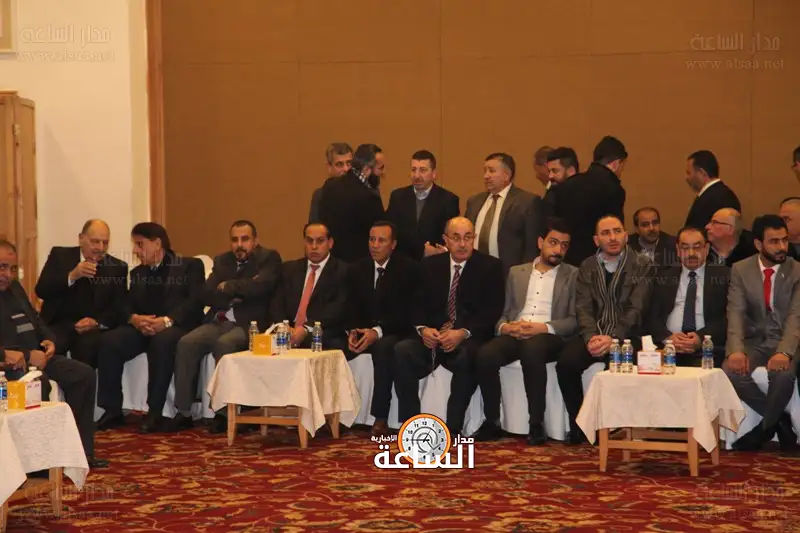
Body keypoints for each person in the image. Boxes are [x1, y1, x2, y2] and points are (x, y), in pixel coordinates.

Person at [0, 240, 107, 467]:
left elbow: (37, 320)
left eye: (12, 268)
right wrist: (28, 356)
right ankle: (39, 463)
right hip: (11, 364)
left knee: (83, 375)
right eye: (2, 267)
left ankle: (79, 454)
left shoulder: (15, 289)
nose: (7, 275)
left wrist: (49, 340)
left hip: (38, 356)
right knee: (38, 382)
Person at [393, 217, 504, 436]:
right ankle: (410, 421)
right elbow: (414, 304)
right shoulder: (429, 266)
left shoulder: (490, 266)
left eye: (468, 237)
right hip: (433, 336)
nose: (462, 244)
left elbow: (492, 311)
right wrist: (423, 329)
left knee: (468, 356)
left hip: (467, 337)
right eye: (456, 238)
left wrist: (462, 332)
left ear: (474, 238)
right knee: (402, 350)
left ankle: (453, 426)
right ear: (445, 240)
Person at [170, 220, 282, 433]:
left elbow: (262, 287)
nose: (239, 245)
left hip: (249, 324)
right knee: (186, 343)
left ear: (255, 240)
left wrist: (229, 286)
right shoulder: (223, 260)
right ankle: (183, 411)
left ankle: (224, 414)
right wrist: (239, 292)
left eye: (245, 239)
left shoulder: (269, 258)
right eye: (234, 240)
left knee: (224, 344)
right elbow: (206, 293)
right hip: (219, 319)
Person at [473, 219, 578, 445]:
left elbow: (574, 320)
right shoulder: (516, 272)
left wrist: (543, 327)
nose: (558, 250)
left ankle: (536, 424)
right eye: (553, 242)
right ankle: (492, 421)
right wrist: (506, 327)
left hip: (550, 336)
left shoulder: (573, 275)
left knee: (532, 349)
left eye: (564, 245)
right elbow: (502, 313)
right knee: (486, 354)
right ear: (540, 242)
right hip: (517, 332)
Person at [96, 223, 205, 433]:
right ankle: (112, 409)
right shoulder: (138, 273)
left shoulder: (189, 266)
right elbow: (125, 304)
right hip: (144, 328)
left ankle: (155, 411)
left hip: (176, 327)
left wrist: (167, 321)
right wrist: (134, 319)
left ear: (157, 243)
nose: (136, 250)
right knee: (110, 341)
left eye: (140, 244)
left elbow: (195, 301)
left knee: (162, 342)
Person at [555, 216, 652, 444]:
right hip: (594, 334)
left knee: (614, 367)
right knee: (566, 364)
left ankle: (611, 429)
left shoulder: (642, 264)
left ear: (626, 236)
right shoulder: (587, 266)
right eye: (606, 233)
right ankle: (580, 426)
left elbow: (636, 309)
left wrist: (613, 338)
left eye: (617, 231)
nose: (612, 237)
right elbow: (583, 308)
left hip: (628, 336)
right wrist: (591, 338)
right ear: (596, 240)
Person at [724, 215, 800, 453]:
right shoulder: (741, 269)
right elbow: (735, 312)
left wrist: (784, 352)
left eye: (784, 240)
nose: (782, 247)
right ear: (758, 244)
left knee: (783, 375)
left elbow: (796, 317)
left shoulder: (797, 271)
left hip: (787, 340)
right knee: (730, 371)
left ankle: (763, 429)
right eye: (774, 241)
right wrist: (736, 350)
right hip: (754, 341)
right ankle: (777, 419)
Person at [345, 221, 419, 436]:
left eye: (381, 240)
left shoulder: (409, 270)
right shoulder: (357, 269)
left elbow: (408, 313)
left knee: (384, 347)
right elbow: (349, 305)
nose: (375, 245)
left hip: (396, 331)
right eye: (371, 239)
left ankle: (380, 416)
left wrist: (377, 331)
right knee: (332, 344)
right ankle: (334, 416)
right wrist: (352, 330)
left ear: (393, 244)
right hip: (364, 331)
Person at [35, 219, 128, 368]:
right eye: (95, 241)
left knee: (89, 349)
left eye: (105, 243)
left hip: (91, 329)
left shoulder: (117, 267)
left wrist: (96, 322)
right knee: (45, 350)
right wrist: (72, 276)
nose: (100, 248)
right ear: (81, 238)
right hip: (58, 324)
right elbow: (41, 290)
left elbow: (119, 306)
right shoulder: (59, 255)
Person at [645, 227, 730, 367]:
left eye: (697, 247)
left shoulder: (725, 277)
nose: (691, 253)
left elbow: (729, 317)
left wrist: (701, 337)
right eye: (685, 248)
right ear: (678, 250)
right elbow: (651, 317)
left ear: (706, 249)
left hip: (707, 349)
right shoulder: (663, 278)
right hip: (668, 348)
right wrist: (668, 337)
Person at [271, 223, 349, 350]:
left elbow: (337, 309)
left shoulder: (343, 271)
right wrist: (283, 326)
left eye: (320, 241)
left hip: (321, 332)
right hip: (287, 331)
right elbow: (277, 303)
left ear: (330, 243)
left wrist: (306, 328)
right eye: (309, 241)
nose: (314, 246)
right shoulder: (289, 269)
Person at [552, 135, 627, 266]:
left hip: (567, 259)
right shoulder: (613, 189)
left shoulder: (567, 185)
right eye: (622, 166)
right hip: (598, 262)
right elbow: (613, 232)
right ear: (616, 164)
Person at [465, 153, 543, 274]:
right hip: (474, 271)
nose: (486, 176)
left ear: (507, 175)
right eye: (485, 171)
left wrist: (524, 275)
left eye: (492, 171)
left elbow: (531, 246)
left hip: (509, 273)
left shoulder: (527, 202)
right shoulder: (474, 201)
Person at [385, 150, 460, 260]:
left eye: (423, 170)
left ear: (434, 174)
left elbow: (453, 236)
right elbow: (390, 232)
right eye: (413, 170)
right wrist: (422, 250)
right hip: (403, 262)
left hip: (434, 263)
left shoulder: (448, 200)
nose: (417, 175)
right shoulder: (397, 197)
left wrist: (442, 250)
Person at [319, 144, 385, 262]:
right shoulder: (369, 197)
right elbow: (382, 232)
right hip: (359, 264)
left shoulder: (329, 186)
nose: (383, 173)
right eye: (380, 168)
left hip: (331, 262)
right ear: (367, 170)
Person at [684, 150, 741, 229]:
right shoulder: (722, 194)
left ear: (701, 173)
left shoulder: (718, 198)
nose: (686, 178)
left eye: (689, 173)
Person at [308, 142, 353, 223]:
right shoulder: (320, 195)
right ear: (329, 167)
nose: (346, 169)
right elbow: (314, 228)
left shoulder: (366, 193)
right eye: (339, 164)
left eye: (349, 163)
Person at [543, 147, 579, 220]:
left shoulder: (587, 196)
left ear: (571, 171)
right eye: (549, 171)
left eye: (555, 171)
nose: (550, 176)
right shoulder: (551, 196)